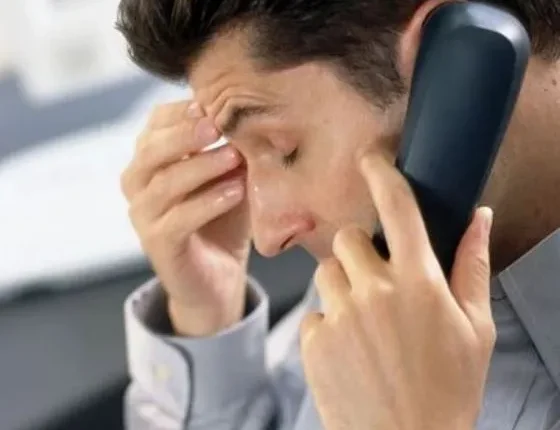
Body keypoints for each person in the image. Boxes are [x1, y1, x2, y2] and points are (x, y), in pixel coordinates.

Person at [115, 0, 560, 428]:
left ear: (459, 61)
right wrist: (205, 316)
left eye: (285, 150)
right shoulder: (370, 279)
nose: (267, 239)